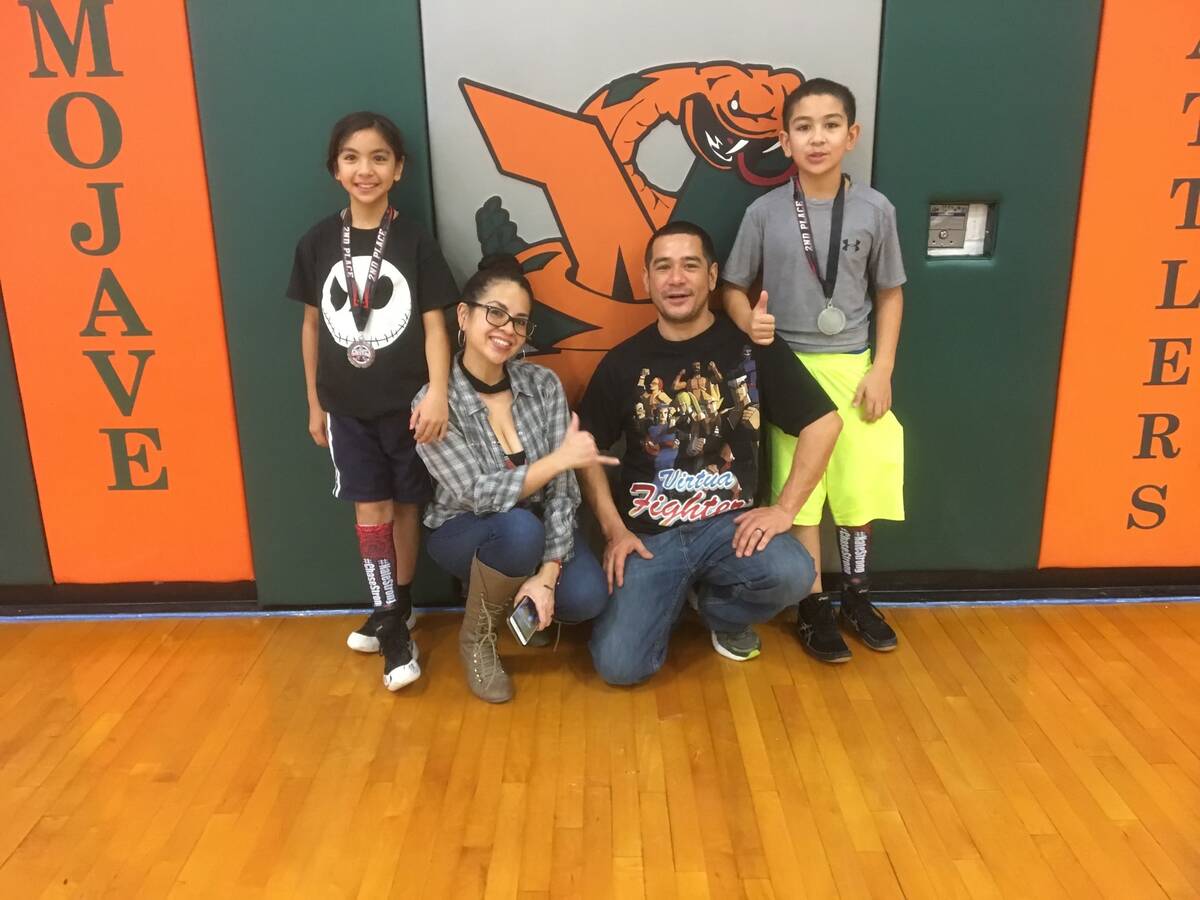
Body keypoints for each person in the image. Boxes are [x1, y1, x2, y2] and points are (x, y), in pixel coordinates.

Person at [577, 221, 842, 686]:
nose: (676, 279)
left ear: (713, 275)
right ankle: (671, 595)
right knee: (619, 667)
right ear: (647, 280)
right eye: (663, 267)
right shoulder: (623, 362)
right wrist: (614, 530)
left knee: (795, 571)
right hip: (650, 538)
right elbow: (586, 448)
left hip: (729, 530)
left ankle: (718, 611)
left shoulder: (752, 348)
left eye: (690, 265)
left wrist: (784, 510)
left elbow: (825, 423)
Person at [722, 78, 907, 662]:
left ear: (852, 135)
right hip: (788, 371)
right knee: (799, 496)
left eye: (830, 125)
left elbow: (890, 293)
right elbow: (731, 287)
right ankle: (813, 603)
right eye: (803, 127)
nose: (817, 138)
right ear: (785, 140)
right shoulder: (764, 212)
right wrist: (748, 321)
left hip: (855, 368)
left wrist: (883, 368)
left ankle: (856, 595)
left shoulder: (875, 209)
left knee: (858, 490)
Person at [287, 111, 456, 690]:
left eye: (379, 158)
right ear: (335, 169)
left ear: (398, 169)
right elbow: (312, 327)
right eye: (352, 158)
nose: (366, 169)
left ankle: (398, 607)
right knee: (370, 509)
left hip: (409, 408)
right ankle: (392, 628)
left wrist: (438, 393)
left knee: (406, 507)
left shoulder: (415, 241)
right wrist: (315, 403)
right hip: (346, 410)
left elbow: (435, 326)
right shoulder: (316, 243)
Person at [414, 257, 617, 703]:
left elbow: (563, 492)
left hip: (536, 528)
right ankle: (477, 639)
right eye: (496, 313)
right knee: (519, 529)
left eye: (520, 321)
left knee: (586, 597)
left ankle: (517, 591)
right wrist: (558, 460)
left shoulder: (543, 384)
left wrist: (548, 574)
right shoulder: (434, 401)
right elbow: (477, 494)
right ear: (464, 316)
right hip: (461, 528)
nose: (507, 329)